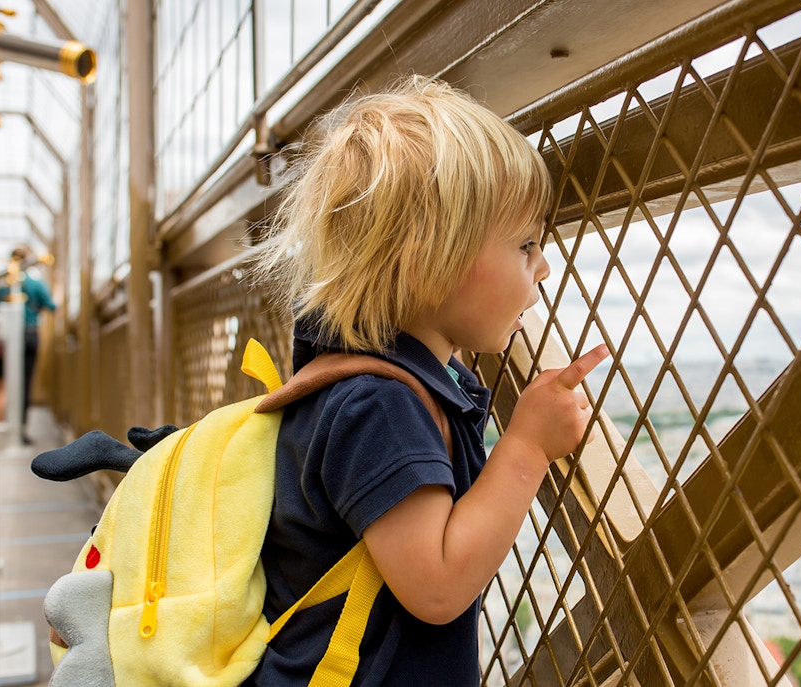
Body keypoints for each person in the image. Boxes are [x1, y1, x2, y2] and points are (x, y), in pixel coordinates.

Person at [243, 76, 608, 686]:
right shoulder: (378, 405)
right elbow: (437, 587)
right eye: (525, 245)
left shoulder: (361, 376)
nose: (543, 267)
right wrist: (527, 446)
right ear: (427, 260)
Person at [0, 245, 56, 443]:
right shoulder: (34, 283)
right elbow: (51, 306)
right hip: (29, 333)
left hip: (5, 337)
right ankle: (18, 430)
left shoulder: (2, 284)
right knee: (24, 382)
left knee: (4, 383)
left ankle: (2, 426)